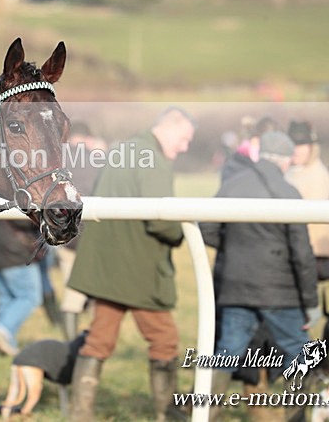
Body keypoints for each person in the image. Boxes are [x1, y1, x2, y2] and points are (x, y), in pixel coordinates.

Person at [67, 107, 195, 422]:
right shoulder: (155, 161)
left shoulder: (122, 150)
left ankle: (80, 414)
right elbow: (161, 220)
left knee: (98, 340)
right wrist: (182, 232)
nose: (184, 147)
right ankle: (168, 414)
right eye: (183, 139)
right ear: (169, 128)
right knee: (164, 340)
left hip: (105, 264)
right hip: (138, 269)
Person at [200, 131, 319, 422]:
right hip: (280, 291)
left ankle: (206, 415)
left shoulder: (232, 184)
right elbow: (302, 253)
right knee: (298, 351)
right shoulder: (288, 192)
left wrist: (235, 250)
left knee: (226, 353)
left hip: (236, 287)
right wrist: (311, 301)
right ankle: (297, 418)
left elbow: (207, 228)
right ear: (285, 160)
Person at [58, 121, 107, 341]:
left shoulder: (56, 160)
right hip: (90, 234)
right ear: (88, 139)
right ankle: (95, 338)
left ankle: (69, 340)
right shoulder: (96, 161)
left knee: (71, 287)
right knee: (96, 285)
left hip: (63, 233)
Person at [285, 120, 329, 285]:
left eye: (301, 145)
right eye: (293, 145)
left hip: (314, 252)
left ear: (311, 147)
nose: (296, 150)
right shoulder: (292, 171)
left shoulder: (317, 174)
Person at [0, 219, 44, 357]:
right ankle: (2, 330)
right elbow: (26, 219)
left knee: (6, 299)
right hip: (15, 251)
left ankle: (7, 345)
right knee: (30, 297)